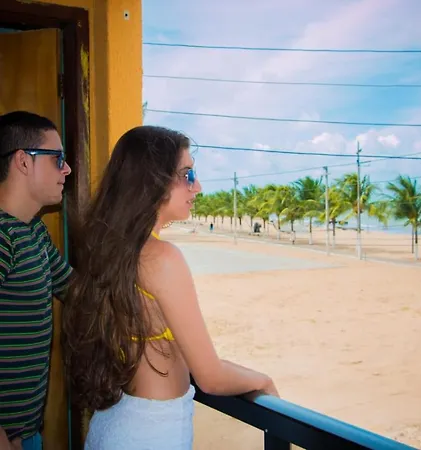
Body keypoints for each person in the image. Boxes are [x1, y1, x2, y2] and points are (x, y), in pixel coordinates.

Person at [62, 125, 279, 450]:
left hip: (114, 421)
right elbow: (210, 377)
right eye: (187, 174)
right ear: (154, 180)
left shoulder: (115, 249)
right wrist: (264, 380)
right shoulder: (162, 258)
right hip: (152, 431)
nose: (198, 186)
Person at [0, 111, 73, 450]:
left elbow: (76, 290)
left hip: (27, 432)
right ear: (23, 161)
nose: (66, 169)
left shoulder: (33, 231)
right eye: (57, 158)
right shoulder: (3, 236)